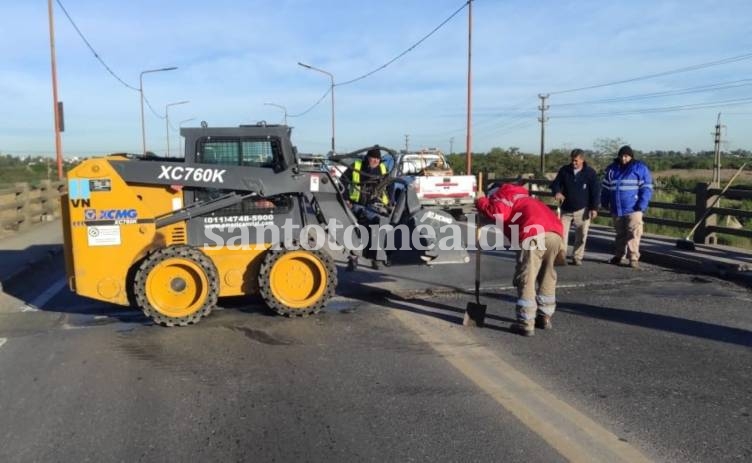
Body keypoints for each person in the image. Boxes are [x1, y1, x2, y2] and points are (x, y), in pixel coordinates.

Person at [476, 182, 564, 336]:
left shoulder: (502, 195)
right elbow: (505, 218)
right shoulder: (524, 197)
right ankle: (544, 316)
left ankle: (526, 323)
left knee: (526, 278)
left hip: (533, 235)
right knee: (547, 275)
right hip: (555, 235)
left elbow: (498, 213)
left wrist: (481, 201)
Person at [600, 145, 653, 269]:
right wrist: (604, 202)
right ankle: (619, 255)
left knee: (634, 233)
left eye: (626, 156)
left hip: (634, 208)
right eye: (622, 156)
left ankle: (633, 257)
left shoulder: (640, 169)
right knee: (620, 233)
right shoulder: (612, 170)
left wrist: (642, 204)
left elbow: (646, 188)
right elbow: (606, 188)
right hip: (617, 208)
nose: (623, 158)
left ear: (631, 156)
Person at [340, 147, 390, 270]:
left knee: (375, 232)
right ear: (368, 157)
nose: (375, 161)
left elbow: (390, 185)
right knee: (354, 232)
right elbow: (343, 182)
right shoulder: (356, 166)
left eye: (378, 158)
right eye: (373, 158)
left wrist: (390, 202)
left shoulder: (383, 169)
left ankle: (375, 259)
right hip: (357, 204)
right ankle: (353, 259)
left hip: (375, 206)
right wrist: (346, 198)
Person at [550, 148, 600, 266]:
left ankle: (577, 257)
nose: (574, 163)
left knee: (582, 235)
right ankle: (561, 256)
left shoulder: (590, 173)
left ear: (582, 160)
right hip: (566, 208)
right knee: (561, 234)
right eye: (572, 160)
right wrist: (557, 191)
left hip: (583, 209)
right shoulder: (564, 170)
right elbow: (555, 184)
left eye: (576, 161)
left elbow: (595, 191)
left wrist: (594, 208)